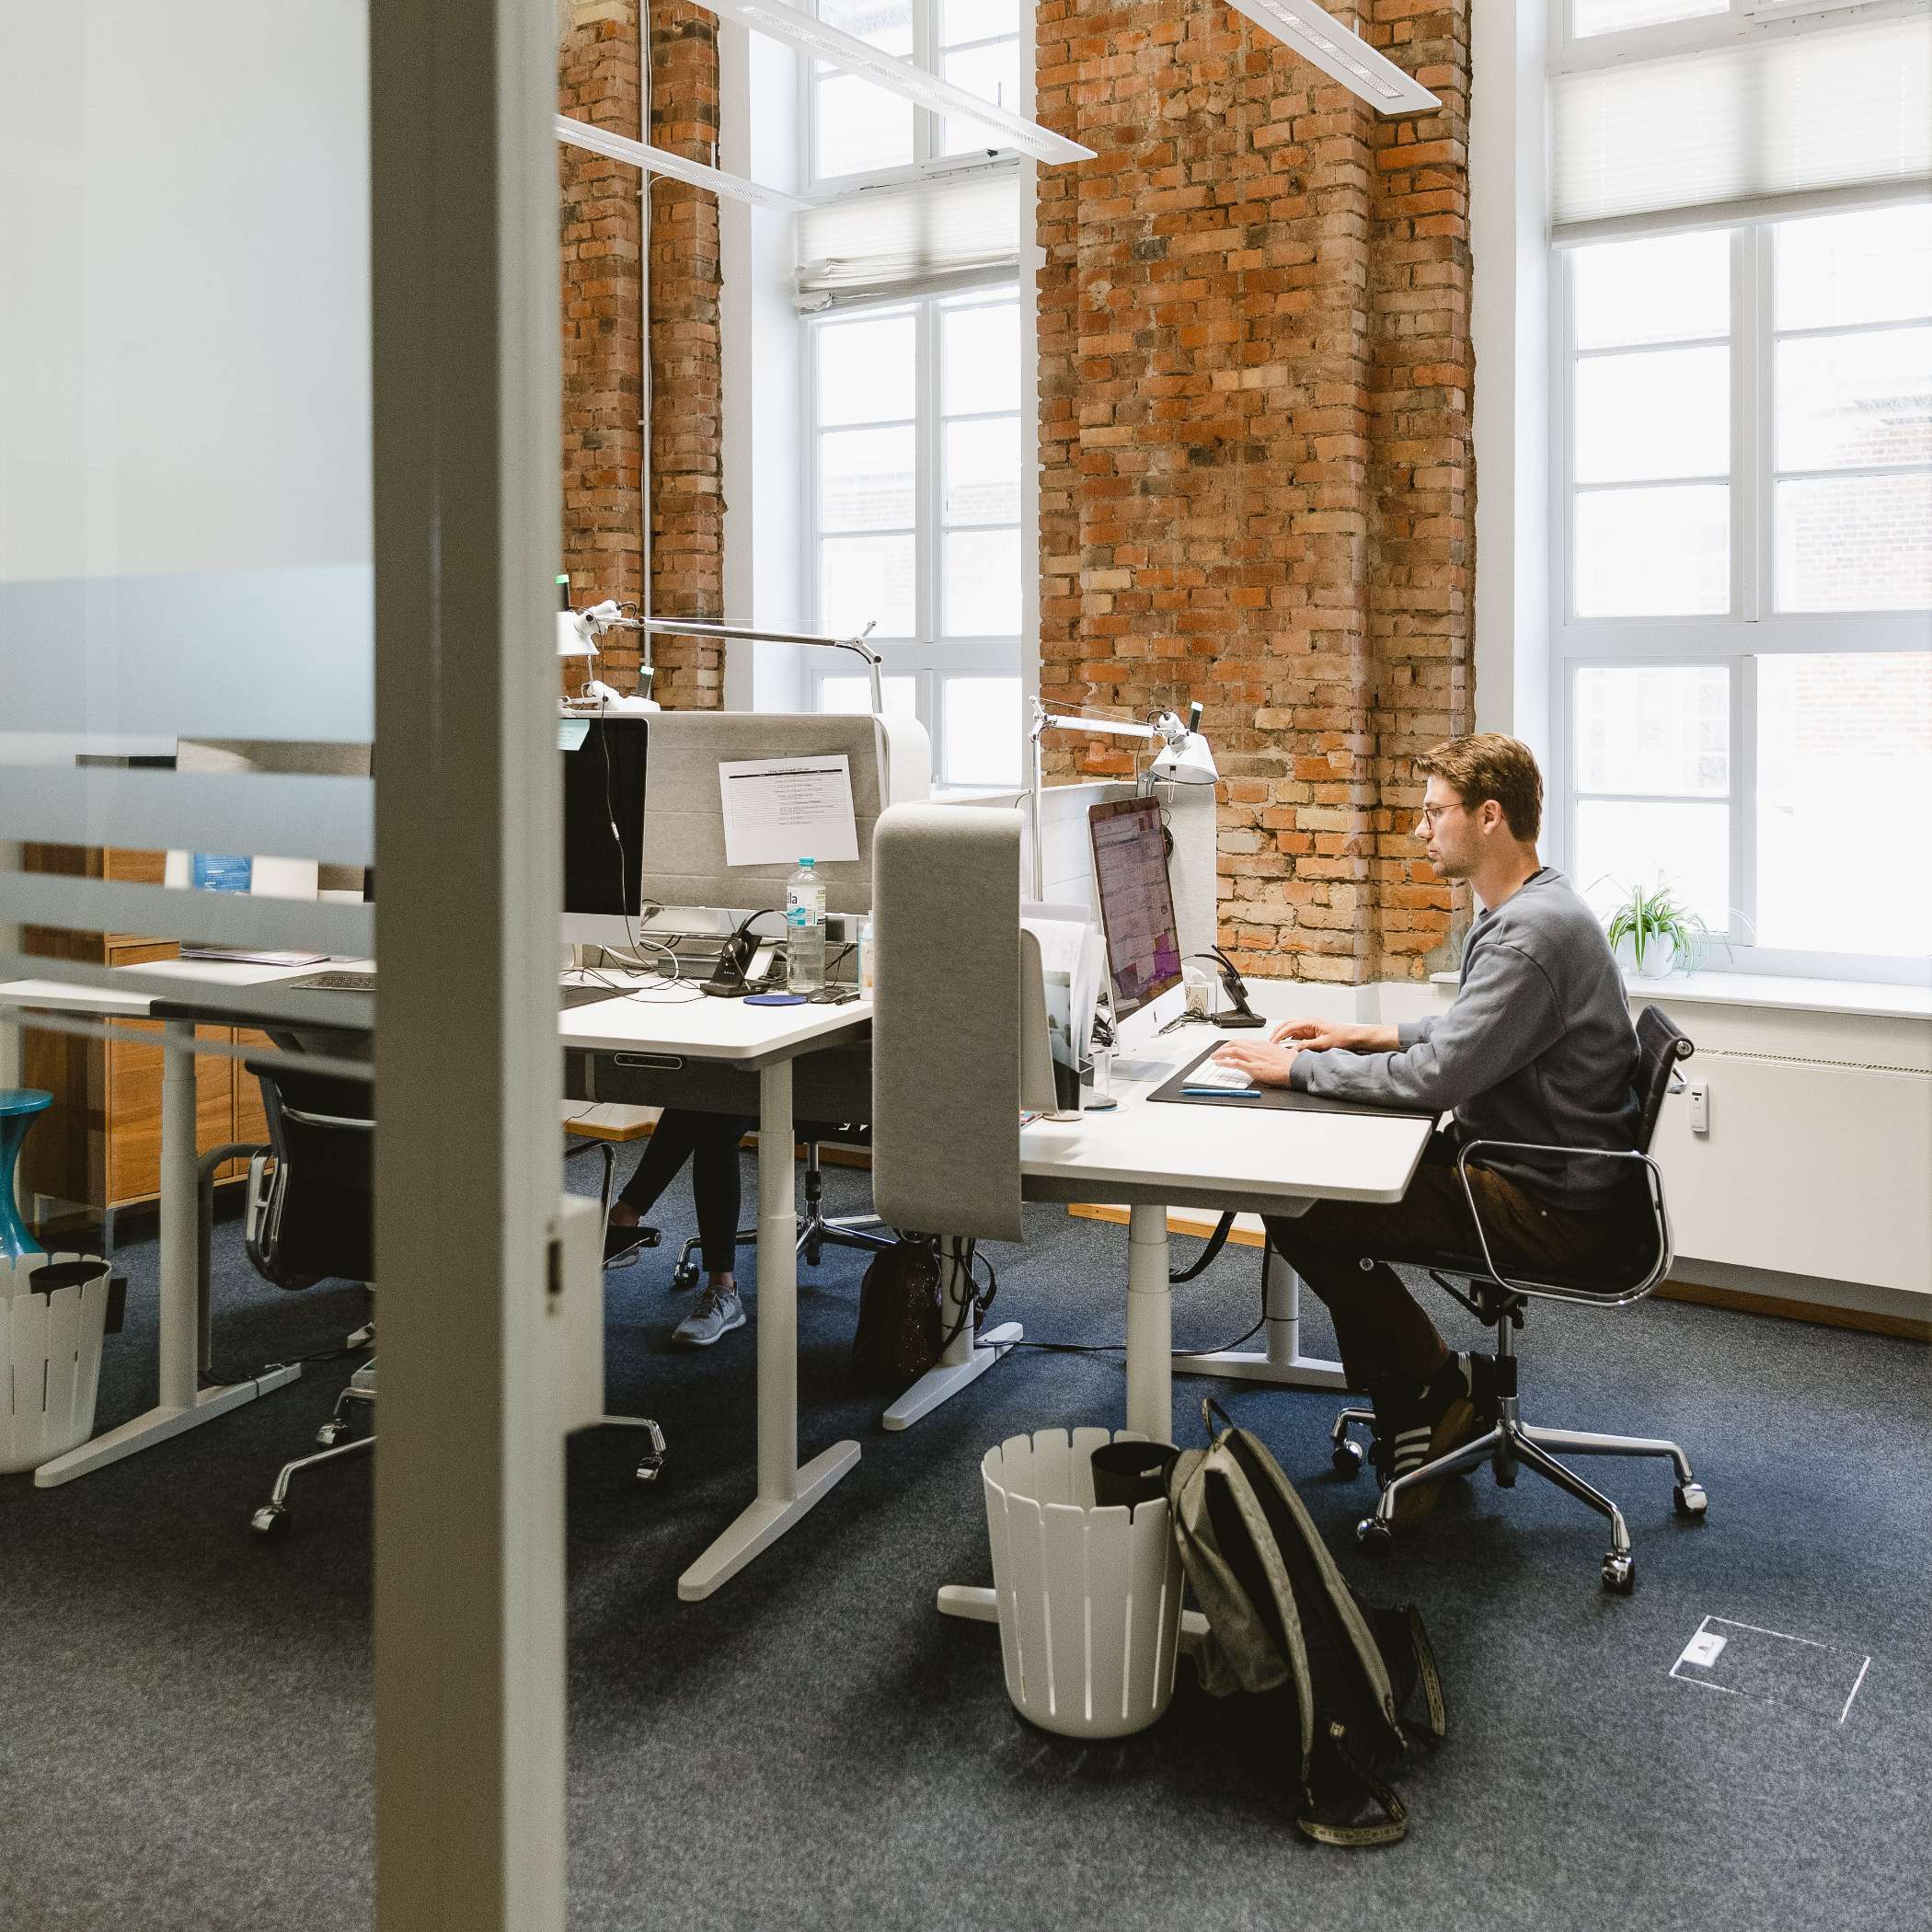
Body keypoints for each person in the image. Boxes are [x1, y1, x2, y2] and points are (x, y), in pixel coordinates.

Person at [1212, 733, 1647, 1525]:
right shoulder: (1538, 908)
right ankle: (1420, 1393)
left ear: (1489, 817)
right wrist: (1367, 1035)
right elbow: (1474, 1033)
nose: (1420, 830)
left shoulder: (1529, 935)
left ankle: (1433, 1389)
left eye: (1434, 813)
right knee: (1319, 1175)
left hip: (1544, 1201)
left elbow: (1433, 1083)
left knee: (1303, 1202)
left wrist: (1297, 1071)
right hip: (1539, 1166)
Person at [605, 1108, 754, 1349]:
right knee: (690, 1101)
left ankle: (723, 1288)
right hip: (744, 1087)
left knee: (719, 1123)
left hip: (812, 1087)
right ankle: (623, 1221)